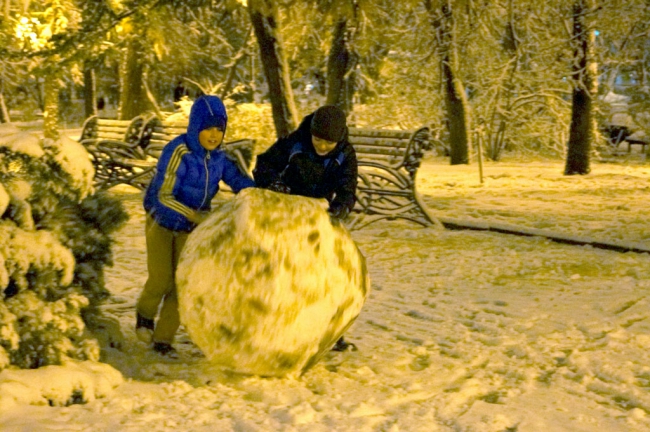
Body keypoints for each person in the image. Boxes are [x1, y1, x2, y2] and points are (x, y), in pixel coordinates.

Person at [136, 95, 255, 357]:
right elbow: (163, 196)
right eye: (208, 128)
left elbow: (238, 181)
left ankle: (163, 339)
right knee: (161, 279)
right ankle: (144, 316)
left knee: (182, 282)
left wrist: (257, 194)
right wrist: (193, 215)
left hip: (190, 228)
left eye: (219, 129)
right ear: (195, 127)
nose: (214, 135)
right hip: (161, 220)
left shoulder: (220, 157)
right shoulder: (178, 152)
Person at [253, 105, 359, 352]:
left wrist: (342, 206)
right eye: (318, 140)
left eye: (328, 143)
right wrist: (274, 184)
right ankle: (271, 327)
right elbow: (264, 165)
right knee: (283, 272)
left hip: (317, 217)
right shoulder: (296, 142)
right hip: (286, 212)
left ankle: (330, 333)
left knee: (324, 276)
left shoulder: (345, 154)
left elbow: (348, 188)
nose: (322, 146)